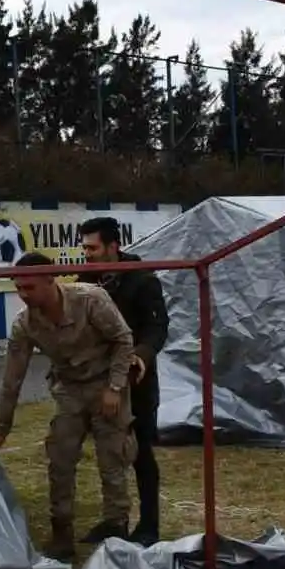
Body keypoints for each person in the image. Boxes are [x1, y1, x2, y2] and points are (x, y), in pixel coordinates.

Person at [0, 252, 137, 562]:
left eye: (29, 287)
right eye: (19, 288)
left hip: (105, 384)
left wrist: (115, 387)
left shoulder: (90, 299)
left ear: (50, 279)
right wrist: (1, 429)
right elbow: (12, 379)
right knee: (60, 460)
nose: (23, 295)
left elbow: (123, 339)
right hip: (68, 389)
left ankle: (117, 531)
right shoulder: (25, 324)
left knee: (113, 459)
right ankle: (62, 534)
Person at [78, 216, 170, 546]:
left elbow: (157, 327)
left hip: (137, 378)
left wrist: (140, 356)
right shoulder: (85, 280)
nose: (86, 254)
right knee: (107, 452)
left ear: (113, 246)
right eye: (84, 248)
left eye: (93, 247)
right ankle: (114, 522)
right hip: (98, 380)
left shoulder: (142, 280)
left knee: (139, 451)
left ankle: (149, 526)